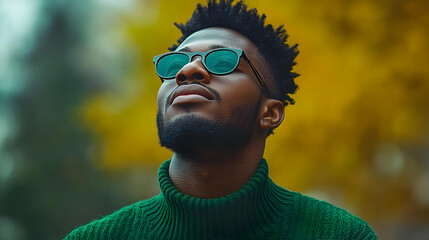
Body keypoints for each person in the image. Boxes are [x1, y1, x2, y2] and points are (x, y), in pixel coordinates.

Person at [65, 0, 377, 239]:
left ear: (269, 113)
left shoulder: (339, 235)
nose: (187, 71)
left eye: (224, 60)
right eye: (175, 63)